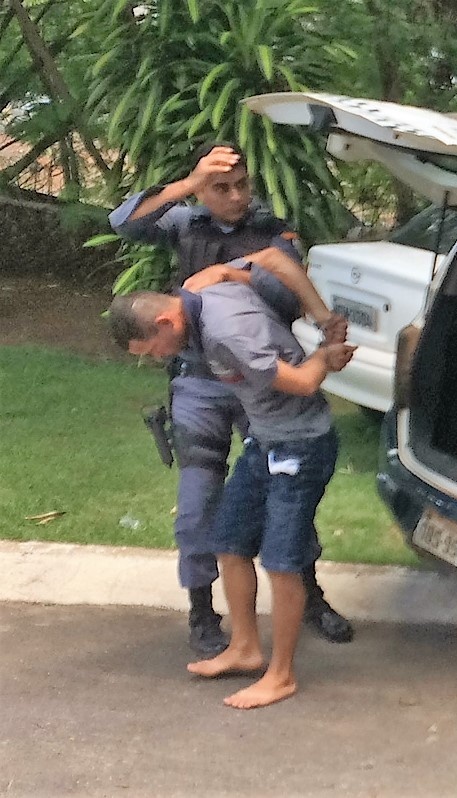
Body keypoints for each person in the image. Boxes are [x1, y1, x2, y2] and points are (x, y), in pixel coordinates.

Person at [109, 142, 354, 655]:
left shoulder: (274, 231)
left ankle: (310, 595)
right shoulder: (186, 221)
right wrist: (188, 184)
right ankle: (202, 611)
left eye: (242, 184)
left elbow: (284, 292)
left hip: (261, 384)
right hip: (199, 383)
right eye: (220, 187)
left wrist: (229, 274)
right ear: (203, 189)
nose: (236, 196)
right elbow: (124, 222)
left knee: (287, 499)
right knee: (197, 505)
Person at [107, 285, 356, 708]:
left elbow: (302, 384)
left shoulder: (225, 334)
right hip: (264, 442)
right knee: (229, 540)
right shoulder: (201, 297)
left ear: (166, 323)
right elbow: (260, 262)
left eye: (152, 349)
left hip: (299, 446)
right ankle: (245, 648)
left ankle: (281, 676)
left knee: (281, 561)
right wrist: (323, 318)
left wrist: (322, 355)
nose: (158, 358)